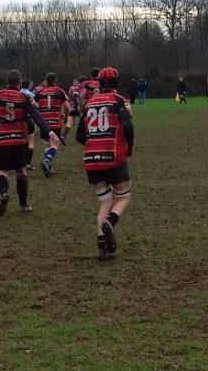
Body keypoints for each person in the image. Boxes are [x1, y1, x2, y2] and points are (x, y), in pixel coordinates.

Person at [77, 67, 134, 261]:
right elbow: (127, 125)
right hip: (113, 156)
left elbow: (79, 136)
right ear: (117, 83)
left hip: (91, 159)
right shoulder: (120, 101)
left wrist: (94, 143)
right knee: (124, 196)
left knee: (105, 200)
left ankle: (102, 247)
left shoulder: (89, 103)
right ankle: (110, 221)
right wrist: (130, 147)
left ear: (99, 84)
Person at [0, 69, 55, 216]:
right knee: (21, 171)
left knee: (1, 172)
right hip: (19, 139)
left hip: (2, 139)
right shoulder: (24, 97)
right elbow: (37, 116)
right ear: (20, 82)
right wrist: (49, 131)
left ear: (6, 82)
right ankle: (23, 205)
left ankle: (4, 193)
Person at [35, 72, 70, 177]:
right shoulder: (60, 91)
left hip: (43, 122)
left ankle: (49, 168)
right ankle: (47, 161)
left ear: (46, 80)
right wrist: (66, 117)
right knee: (55, 143)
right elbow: (67, 107)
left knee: (48, 143)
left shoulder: (40, 92)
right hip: (55, 121)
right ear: (55, 80)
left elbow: (34, 104)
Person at [22, 78, 37, 169]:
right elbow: (35, 107)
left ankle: (18, 162)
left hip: (19, 120)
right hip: (29, 119)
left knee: (20, 140)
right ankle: (27, 163)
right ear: (29, 85)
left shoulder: (18, 93)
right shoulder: (31, 95)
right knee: (30, 141)